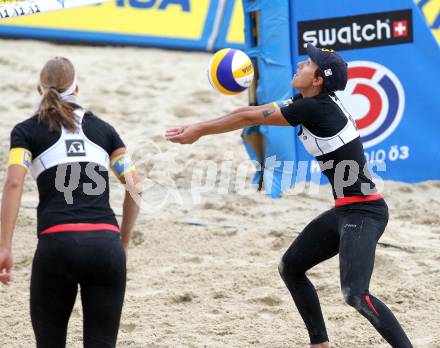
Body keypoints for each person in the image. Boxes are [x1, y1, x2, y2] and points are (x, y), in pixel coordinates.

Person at [165, 44, 413, 348]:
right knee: (291, 268)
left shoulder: (315, 108)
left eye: (308, 63)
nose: (300, 65)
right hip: (345, 210)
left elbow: (248, 116)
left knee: (355, 295)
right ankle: (319, 344)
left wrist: (199, 129)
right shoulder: (309, 101)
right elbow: (252, 113)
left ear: (318, 79)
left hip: (366, 212)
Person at [0, 57, 142, 348]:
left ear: (39, 89)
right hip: (106, 244)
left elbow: (14, 183)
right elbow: (135, 186)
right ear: (77, 88)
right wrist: (123, 243)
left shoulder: (27, 130)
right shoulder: (104, 130)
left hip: (57, 244)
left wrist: (4, 246)